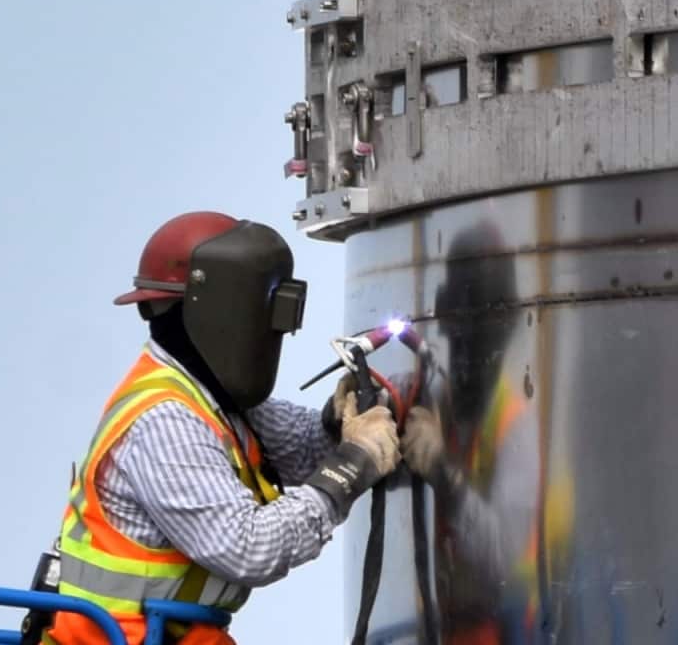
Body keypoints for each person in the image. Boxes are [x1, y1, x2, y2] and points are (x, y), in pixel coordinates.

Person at [39, 211, 399, 645]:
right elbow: (248, 548)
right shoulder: (166, 422)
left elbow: (301, 449)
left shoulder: (210, 396)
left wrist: (341, 423)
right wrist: (350, 467)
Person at [399, 221, 545, 644]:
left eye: (482, 323)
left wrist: (444, 474)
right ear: (442, 316)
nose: (469, 344)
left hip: (510, 632)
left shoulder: (517, 426)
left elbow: (504, 557)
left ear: (508, 324)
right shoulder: (437, 406)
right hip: (444, 629)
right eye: (463, 323)